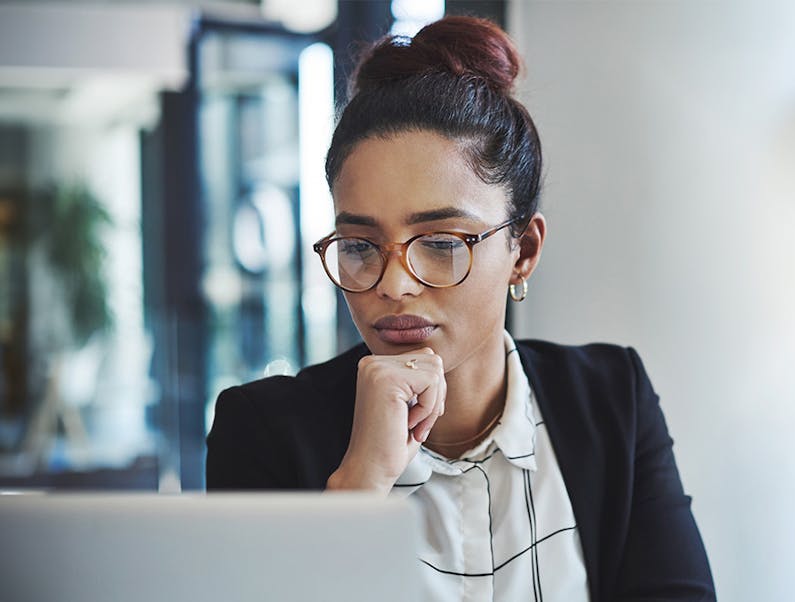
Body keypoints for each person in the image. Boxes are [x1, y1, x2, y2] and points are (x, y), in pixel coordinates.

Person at [206, 15, 715, 602]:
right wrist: (360, 484)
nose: (393, 285)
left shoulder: (611, 401)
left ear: (522, 252)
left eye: (443, 244)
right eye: (359, 247)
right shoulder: (263, 432)